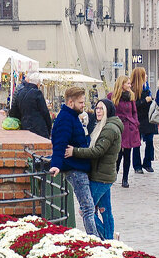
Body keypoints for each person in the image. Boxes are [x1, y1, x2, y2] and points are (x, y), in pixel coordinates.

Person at [66, 98, 122, 240]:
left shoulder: (109, 129)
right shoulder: (102, 125)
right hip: (103, 174)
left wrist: (75, 151)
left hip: (101, 176)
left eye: (102, 108)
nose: (98, 111)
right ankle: (110, 241)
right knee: (105, 210)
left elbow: (97, 151)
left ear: (108, 111)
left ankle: (107, 238)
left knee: (86, 209)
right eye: (97, 108)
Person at [48, 86, 98, 236]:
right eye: (81, 102)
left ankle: (96, 238)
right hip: (75, 168)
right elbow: (59, 144)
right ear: (71, 102)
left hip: (79, 165)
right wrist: (56, 165)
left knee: (89, 207)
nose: (83, 105)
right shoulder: (65, 118)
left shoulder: (72, 116)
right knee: (88, 208)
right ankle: (94, 240)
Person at [109, 75, 140, 189]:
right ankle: (114, 175)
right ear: (122, 84)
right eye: (128, 83)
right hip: (118, 127)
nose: (130, 85)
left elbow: (134, 112)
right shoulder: (112, 96)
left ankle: (125, 178)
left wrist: (135, 123)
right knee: (117, 153)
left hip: (129, 127)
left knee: (127, 153)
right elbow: (109, 111)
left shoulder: (131, 96)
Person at [8, 71, 53, 139]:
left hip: (24, 128)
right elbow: (45, 112)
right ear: (38, 83)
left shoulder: (20, 92)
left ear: (28, 80)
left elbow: (14, 112)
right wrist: (49, 128)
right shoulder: (37, 93)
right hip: (39, 129)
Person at [130, 67, 155, 173]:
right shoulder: (132, 90)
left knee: (149, 141)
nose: (147, 76)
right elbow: (134, 105)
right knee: (136, 143)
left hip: (148, 119)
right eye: (145, 74)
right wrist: (145, 100)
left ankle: (147, 163)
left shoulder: (147, 87)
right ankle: (137, 166)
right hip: (138, 118)